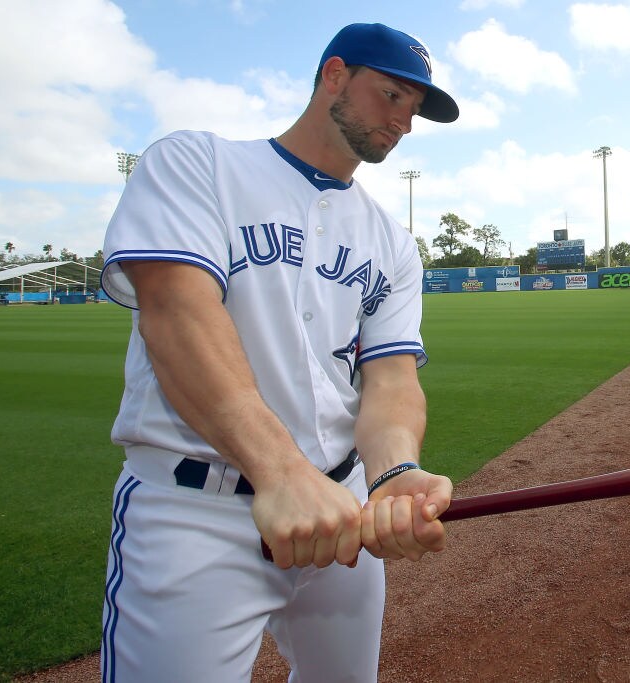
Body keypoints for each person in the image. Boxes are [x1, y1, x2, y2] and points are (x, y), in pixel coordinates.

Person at [99, 23, 458, 682]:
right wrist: (281, 471)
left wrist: (394, 470)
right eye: (391, 95)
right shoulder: (199, 164)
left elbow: (390, 380)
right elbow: (177, 315)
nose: (403, 121)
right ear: (334, 75)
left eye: (414, 109)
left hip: (342, 508)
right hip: (196, 512)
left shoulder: (393, 242)